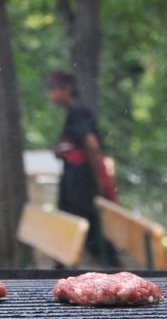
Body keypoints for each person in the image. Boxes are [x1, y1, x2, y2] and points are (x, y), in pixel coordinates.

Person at [48, 69, 119, 266]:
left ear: (67, 90)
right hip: (73, 185)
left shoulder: (80, 111)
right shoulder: (73, 112)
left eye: (53, 89)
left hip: (81, 186)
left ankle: (115, 269)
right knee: (73, 228)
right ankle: (60, 270)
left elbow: (92, 145)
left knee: (89, 231)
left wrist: (100, 184)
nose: (51, 95)